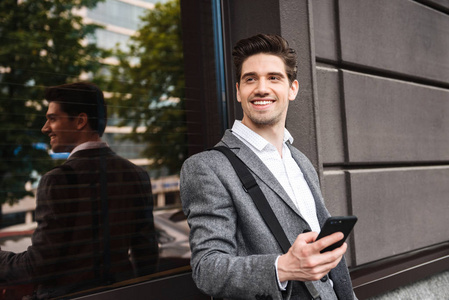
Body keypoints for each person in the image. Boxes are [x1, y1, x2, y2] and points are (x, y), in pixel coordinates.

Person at [180, 34, 357, 299]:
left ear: (292, 89)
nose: (261, 88)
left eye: (274, 78)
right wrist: (282, 268)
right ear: (238, 91)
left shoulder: (301, 161)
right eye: (251, 79)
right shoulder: (207, 167)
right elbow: (207, 269)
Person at [0, 82, 158, 299]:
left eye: (53, 118)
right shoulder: (137, 175)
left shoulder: (57, 180)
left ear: (80, 121)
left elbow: (37, 266)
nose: (45, 128)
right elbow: (146, 257)